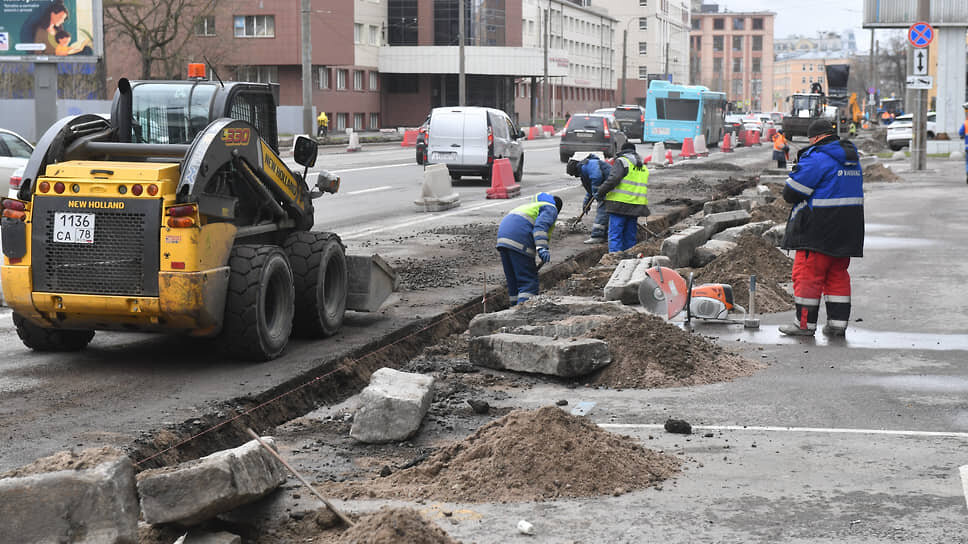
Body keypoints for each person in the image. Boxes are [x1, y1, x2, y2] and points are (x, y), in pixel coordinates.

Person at [779, 119, 864, 337]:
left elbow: (791, 193)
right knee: (837, 274)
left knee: (807, 275)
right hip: (848, 229)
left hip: (818, 228)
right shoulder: (851, 158)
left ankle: (804, 325)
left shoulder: (818, 157)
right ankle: (837, 325)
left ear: (815, 138)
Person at [496, 192, 563, 306]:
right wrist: (542, 248)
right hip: (519, 239)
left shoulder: (531, 207)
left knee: (514, 283)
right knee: (528, 282)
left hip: (503, 240)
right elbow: (540, 227)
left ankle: (512, 311)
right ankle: (523, 314)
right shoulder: (550, 208)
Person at [594, 141, 650, 253]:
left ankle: (614, 258)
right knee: (630, 235)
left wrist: (600, 191)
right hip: (636, 205)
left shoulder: (622, 161)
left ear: (623, 151)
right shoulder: (642, 166)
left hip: (618, 204)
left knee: (615, 234)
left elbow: (613, 179)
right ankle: (629, 258)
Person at [566, 153, 611, 244]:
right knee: (605, 210)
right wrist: (586, 202)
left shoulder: (589, 164)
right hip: (607, 186)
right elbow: (590, 190)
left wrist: (596, 192)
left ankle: (597, 236)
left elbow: (596, 177)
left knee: (602, 209)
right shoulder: (585, 168)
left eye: (574, 174)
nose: (575, 177)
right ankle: (605, 234)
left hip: (610, 186)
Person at [959, 102, 968, 184]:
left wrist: (962, 136)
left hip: (967, 147)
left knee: (967, 162)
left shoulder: (966, 123)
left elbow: (960, 132)